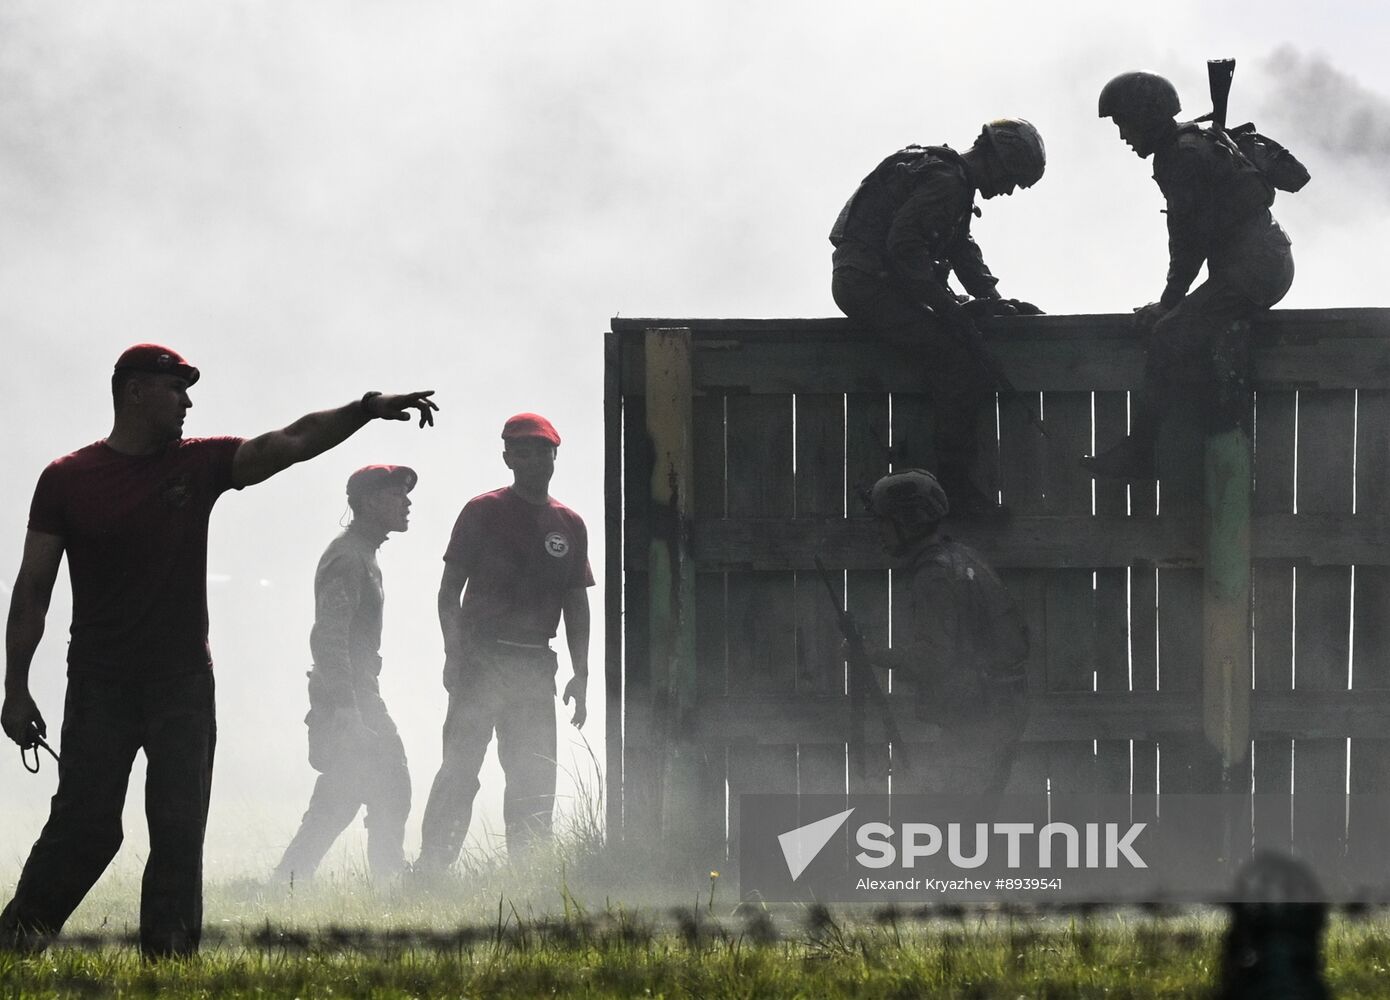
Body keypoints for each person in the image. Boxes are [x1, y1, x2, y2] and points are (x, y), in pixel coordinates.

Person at [0, 344, 437, 958]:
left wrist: (365, 409)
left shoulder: (199, 464)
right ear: (133, 392)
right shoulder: (67, 479)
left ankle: (170, 964)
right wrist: (15, 689)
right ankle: (15, 943)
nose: (187, 401)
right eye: (175, 387)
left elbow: (292, 438)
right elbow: (32, 590)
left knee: (179, 830)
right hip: (100, 685)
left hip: (182, 685)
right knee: (85, 828)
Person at [1082, 71, 1295, 479]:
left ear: (1145, 116)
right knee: (1185, 330)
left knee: (1167, 334)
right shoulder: (1191, 144)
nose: (1124, 136)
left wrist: (1169, 302)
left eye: (1123, 123)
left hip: (1255, 270)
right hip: (1262, 264)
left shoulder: (1182, 156)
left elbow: (1189, 241)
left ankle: (1139, 454)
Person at [830, 119, 1046, 516]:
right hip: (868, 285)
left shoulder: (951, 181)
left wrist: (992, 299)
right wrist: (950, 309)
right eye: (1012, 178)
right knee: (958, 362)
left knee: (958, 347)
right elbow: (905, 248)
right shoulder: (947, 182)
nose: (1009, 189)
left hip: (871, 280)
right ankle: (955, 487)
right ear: (997, 160)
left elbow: (960, 248)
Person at [416, 413, 593, 870]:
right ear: (508, 458)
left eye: (544, 451)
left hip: (535, 666)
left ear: (556, 456)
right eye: (524, 452)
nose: (535, 460)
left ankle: (530, 875)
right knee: (458, 772)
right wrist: (453, 654)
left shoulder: (569, 524)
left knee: (534, 776)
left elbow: (576, 602)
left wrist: (583, 672)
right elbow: (447, 591)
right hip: (481, 661)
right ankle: (432, 869)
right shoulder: (484, 511)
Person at [273, 465, 418, 885]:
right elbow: (330, 635)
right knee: (391, 778)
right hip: (351, 693)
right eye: (396, 495)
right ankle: (389, 880)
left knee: (344, 789)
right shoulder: (349, 556)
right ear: (370, 502)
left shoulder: (362, 553)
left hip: (353, 689)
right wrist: (346, 707)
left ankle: (290, 878)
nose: (407, 503)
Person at [859, 468, 1028, 795]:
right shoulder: (960, 557)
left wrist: (872, 654)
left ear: (907, 522)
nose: (879, 532)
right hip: (996, 712)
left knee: (955, 822)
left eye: (884, 521)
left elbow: (934, 657)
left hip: (978, 722)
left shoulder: (934, 575)